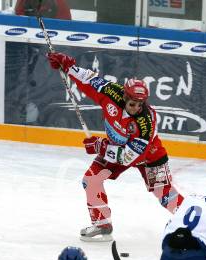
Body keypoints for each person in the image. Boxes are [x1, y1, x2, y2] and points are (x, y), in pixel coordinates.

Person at [47, 52, 184, 242]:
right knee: (91, 180)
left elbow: (129, 157)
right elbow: (89, 80)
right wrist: (69, 66)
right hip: (116, 147)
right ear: (124, 96)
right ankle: (102, 224)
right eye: (132, 103)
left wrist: (100, 146)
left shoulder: (146, 121)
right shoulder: (111, 92)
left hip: (148, 156)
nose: (136, 108)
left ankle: (193, 224)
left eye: (140, 104)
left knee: (164, 193)